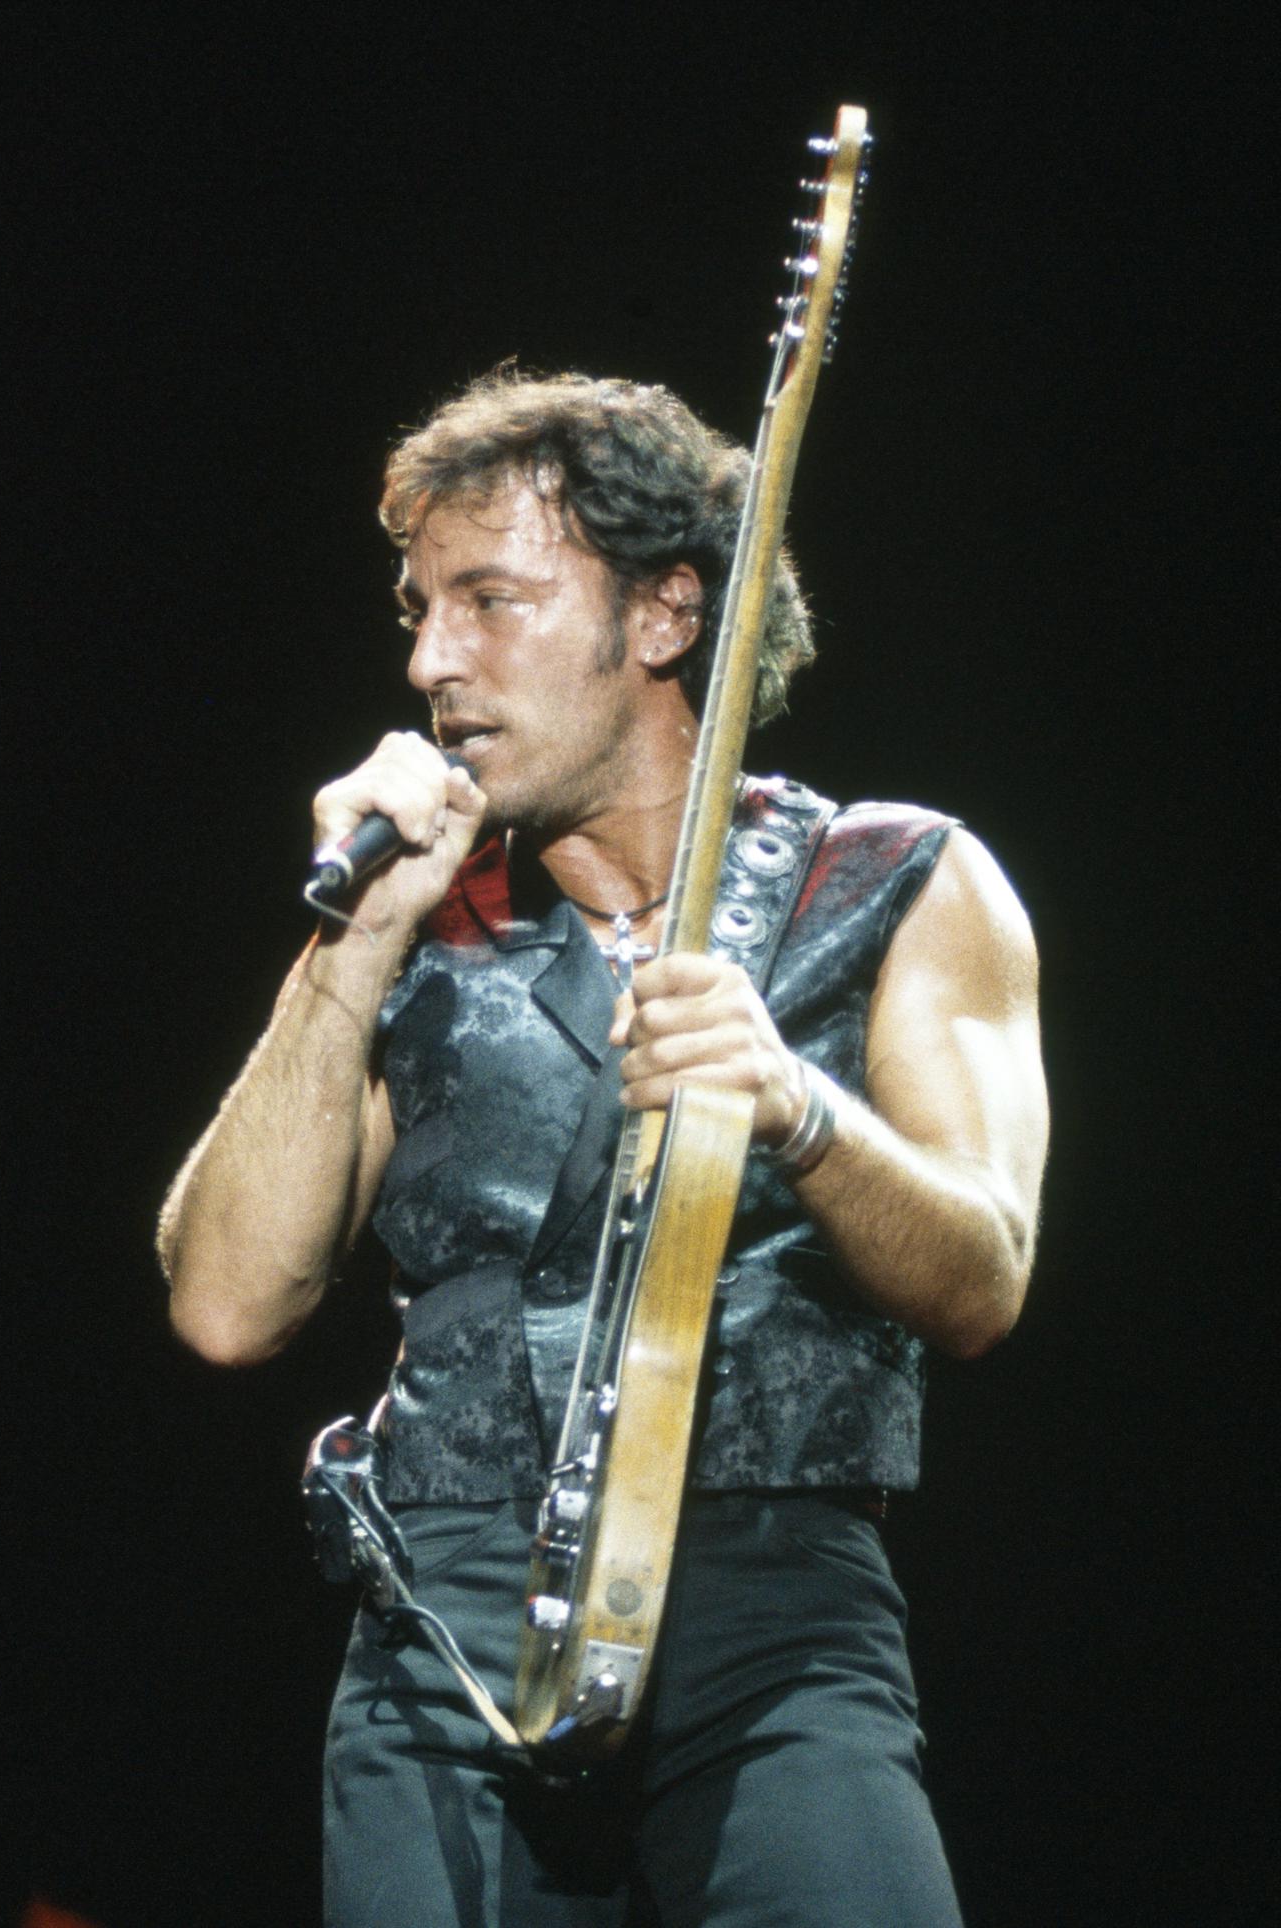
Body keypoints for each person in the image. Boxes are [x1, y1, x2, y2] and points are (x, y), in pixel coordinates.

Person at [157, 369, 1047, 1925]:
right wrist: (351, 945)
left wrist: (798, 1109)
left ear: (661, 618)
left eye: (492, 600)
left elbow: (982, 1277)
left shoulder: (896, 881)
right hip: (442, 1637)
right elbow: (228, 1307)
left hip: (775, 1621)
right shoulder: (416, 927)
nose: (436, 661)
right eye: (421, 610)